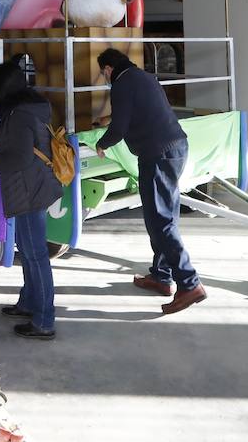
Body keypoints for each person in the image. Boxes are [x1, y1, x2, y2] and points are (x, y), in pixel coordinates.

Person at [94, 47, 206, 314]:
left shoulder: (120, 84)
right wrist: (109, 120)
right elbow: (137, 112)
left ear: (108, 69)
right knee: (165, 216)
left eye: (103, 73)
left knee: (160, 221)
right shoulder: (143, 77)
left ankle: (189, 283)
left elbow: (120, 127)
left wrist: (103, 142)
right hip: (176, 147)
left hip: (157, 153)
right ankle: (161, 275)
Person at [0, 59, 63, 339]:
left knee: (35, 256)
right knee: (30, 252)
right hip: (31, 187)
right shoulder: (25, 109)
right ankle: (30, 303)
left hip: (29, 189)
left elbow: (18, 155)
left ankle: (44, 320)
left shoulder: (20, 114)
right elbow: (12, 138)